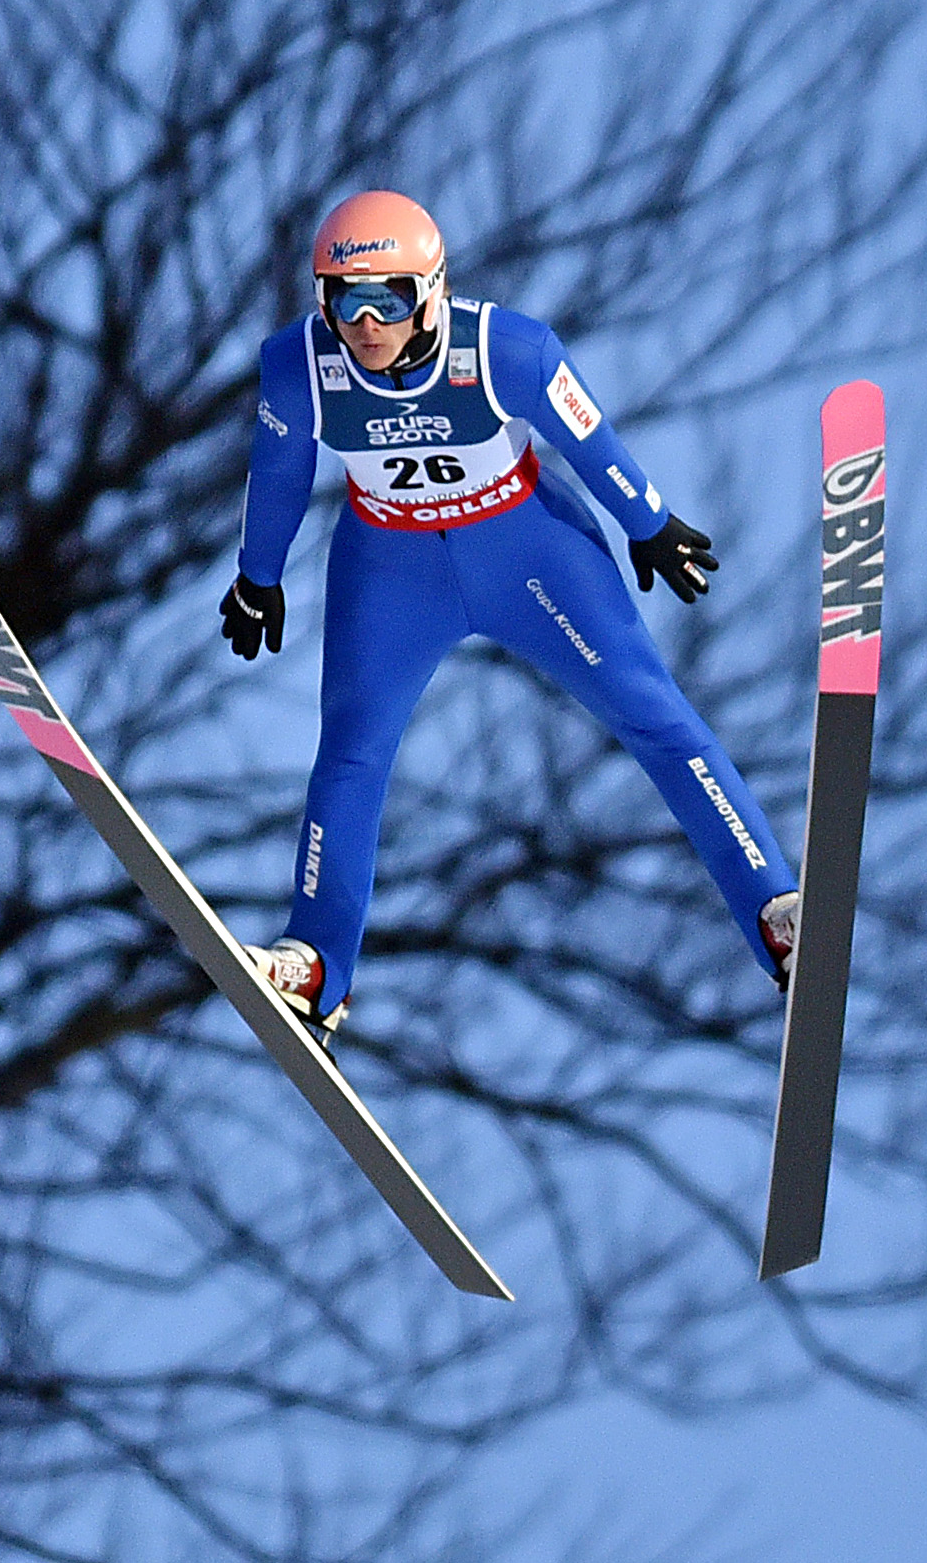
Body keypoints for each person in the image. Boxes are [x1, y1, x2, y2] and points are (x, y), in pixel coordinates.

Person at [220, 190, 799, 1046]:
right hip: (392, 566)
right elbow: (275, 473)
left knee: (653, 715)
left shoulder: (505, 349)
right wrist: (258, 575)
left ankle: (776, 911)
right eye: (346, 300)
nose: (367, 323)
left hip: (527, 547)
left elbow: (587, 433)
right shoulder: (300, 366)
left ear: (433, 291)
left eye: (389, 298)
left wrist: (649, 521)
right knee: (350, 753)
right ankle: (314, 967)